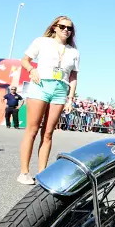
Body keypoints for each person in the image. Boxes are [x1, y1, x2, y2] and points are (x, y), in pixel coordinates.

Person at [17, 15, 79, 185]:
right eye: (62, 26)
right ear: (54, 27)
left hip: (60, 90)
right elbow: (25, 60)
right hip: (41, 86)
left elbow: (73, 76)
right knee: (32, 129)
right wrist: (31, 70)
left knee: (48, 133)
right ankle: (24, 172)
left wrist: (70, 98)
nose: (66, 30)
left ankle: (42, 174)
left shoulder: (74, 51)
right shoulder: (41, 41)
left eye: (70, 28)